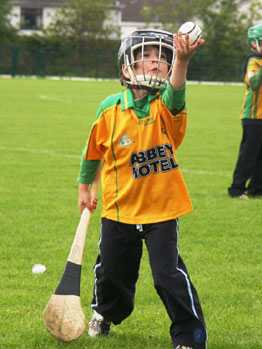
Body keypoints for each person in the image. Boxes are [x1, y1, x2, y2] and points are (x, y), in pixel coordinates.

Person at [77, 29, 207, 349]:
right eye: (147, 56)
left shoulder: (165, 106)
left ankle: (189, 337)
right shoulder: (109, 109)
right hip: (119, 209)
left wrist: (183, 62)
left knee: (168, 277)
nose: (157, 62)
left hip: (162, 209)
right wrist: (84, 188)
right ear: (126, 67)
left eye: (163, 57)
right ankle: (104, 314)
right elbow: (92, 152)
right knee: (110, 273)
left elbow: (177, 91)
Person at [228, 25, 262, 200]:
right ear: (255, 43)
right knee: (248, 156)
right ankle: (236, 189)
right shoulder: (254, 62)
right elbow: (254, 84)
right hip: (253, 117)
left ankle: (257, 189)